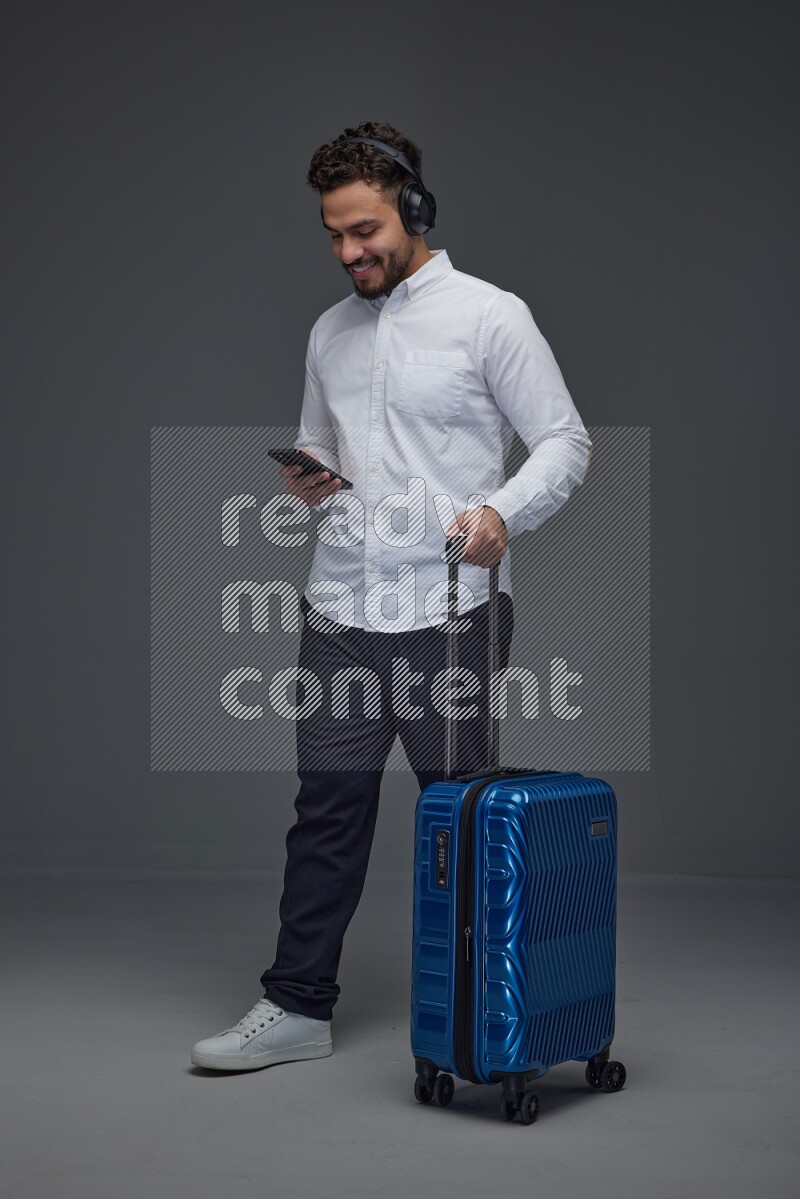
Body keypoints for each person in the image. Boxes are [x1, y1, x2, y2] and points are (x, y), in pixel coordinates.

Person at [191, 121, 592, 1072]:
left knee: (465, 814)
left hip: (447, 611)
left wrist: (503, 510)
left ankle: (488, 1015)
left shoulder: (492, 315)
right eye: (333, 234)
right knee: (326, 810)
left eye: (364, 229)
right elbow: (321, 443)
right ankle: (296, 1007)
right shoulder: (329, 331)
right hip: (341, 607)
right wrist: (314, 475)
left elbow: (566, 442)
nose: (349, 252)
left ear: (412, 209)